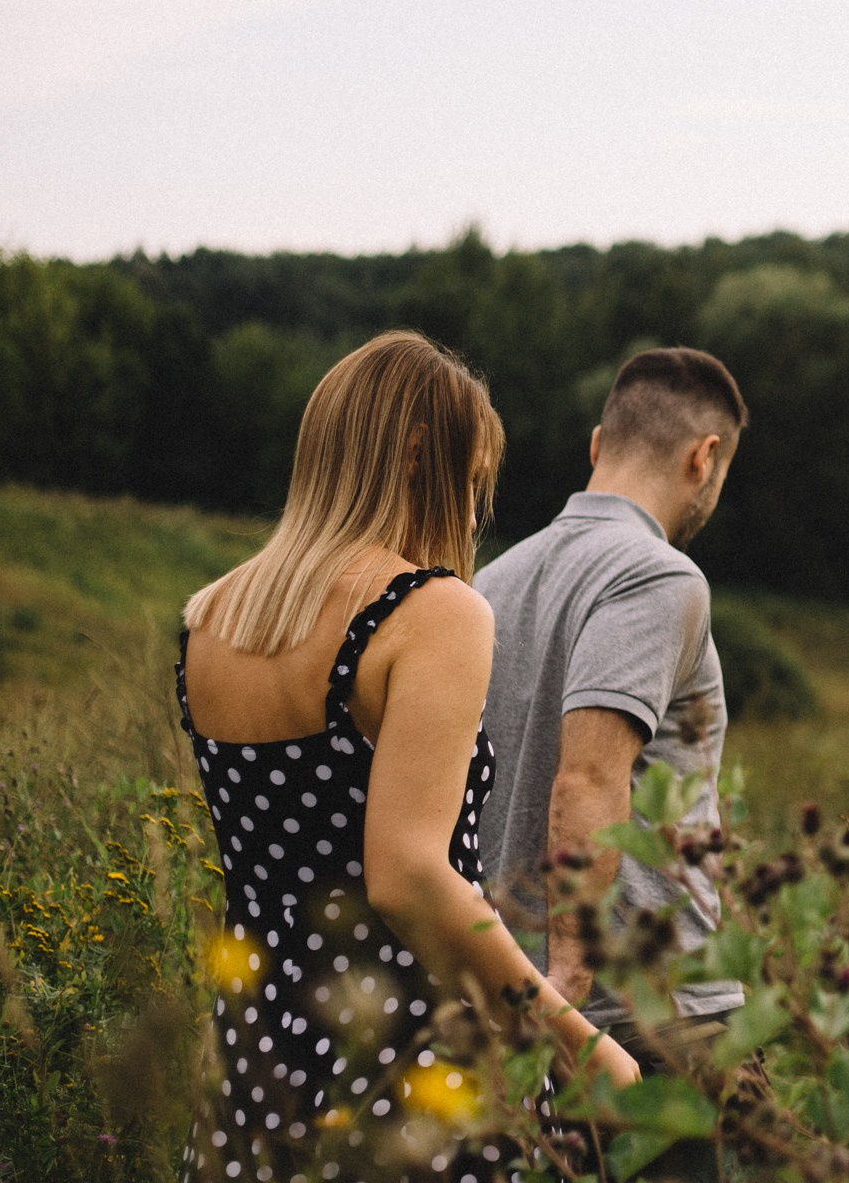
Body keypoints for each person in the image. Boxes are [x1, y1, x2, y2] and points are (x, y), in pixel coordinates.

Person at [176, 331, 638, 1183]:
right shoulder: (431, 613)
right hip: (408, 1058)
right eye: (469, 484)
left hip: (254, 1058)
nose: (470, 517)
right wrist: (574, 1040)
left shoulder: (212, 618)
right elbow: (408, 877)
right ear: (421, 456)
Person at [475, 347, 746, 1066]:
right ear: (704, 457)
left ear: (598, 446)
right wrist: (567, 975)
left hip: (506, 1004)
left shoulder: (487, 585)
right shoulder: (658, 575)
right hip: (642, 1014)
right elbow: (589, 779)